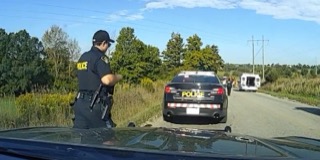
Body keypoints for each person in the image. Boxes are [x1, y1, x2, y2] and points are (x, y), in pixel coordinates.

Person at [72, 30, 122, 129]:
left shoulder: (83, 57)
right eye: (108, 44)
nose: (108, 47)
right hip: (95, 105)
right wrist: (118, 77)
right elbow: (107, 80)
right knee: (107, 139)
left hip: (80, 104)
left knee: (84, 139)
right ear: (104, 43)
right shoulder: (100, 58)